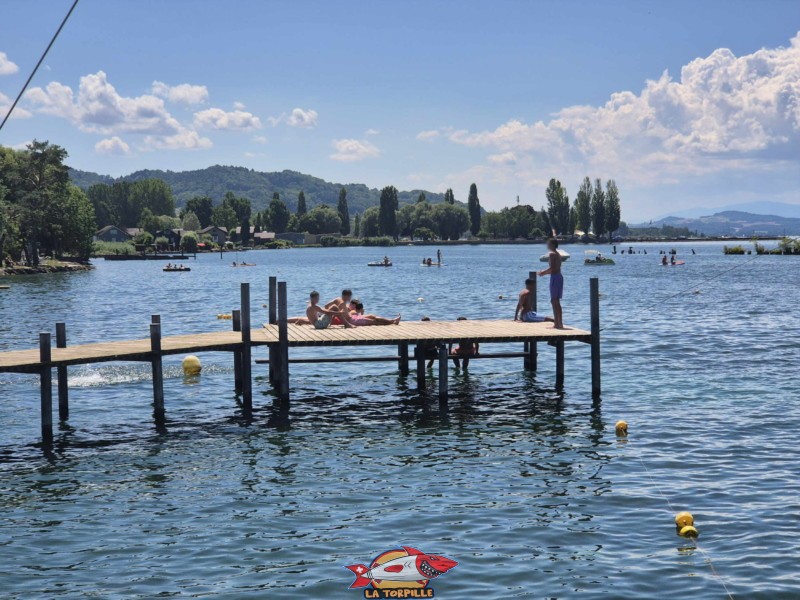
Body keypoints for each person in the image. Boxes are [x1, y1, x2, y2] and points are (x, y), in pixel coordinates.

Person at [537, 238, 564, 329]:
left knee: (554, 301)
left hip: (555, 277)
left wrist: (542, 273)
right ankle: (559, 323)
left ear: (552, 244)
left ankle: (557, 324)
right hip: (559, 277)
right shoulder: (558, 254)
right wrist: (545, 272)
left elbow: (552, 269)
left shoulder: (552, 254)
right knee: (556, 301)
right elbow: (556, 268)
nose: (547, 245)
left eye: (548, 244)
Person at [287, 291, 352, 328]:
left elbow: (323, 312)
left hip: (317, 323)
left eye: (318, 298)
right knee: (334, 307)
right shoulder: (314, 307)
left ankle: (346, 324)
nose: (318, 300)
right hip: (319, 325)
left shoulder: (310, 305)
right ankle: (347, 324)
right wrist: (339, 313)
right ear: (312, 299)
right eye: (316, 299)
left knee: (333, 307)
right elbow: (327, 312)